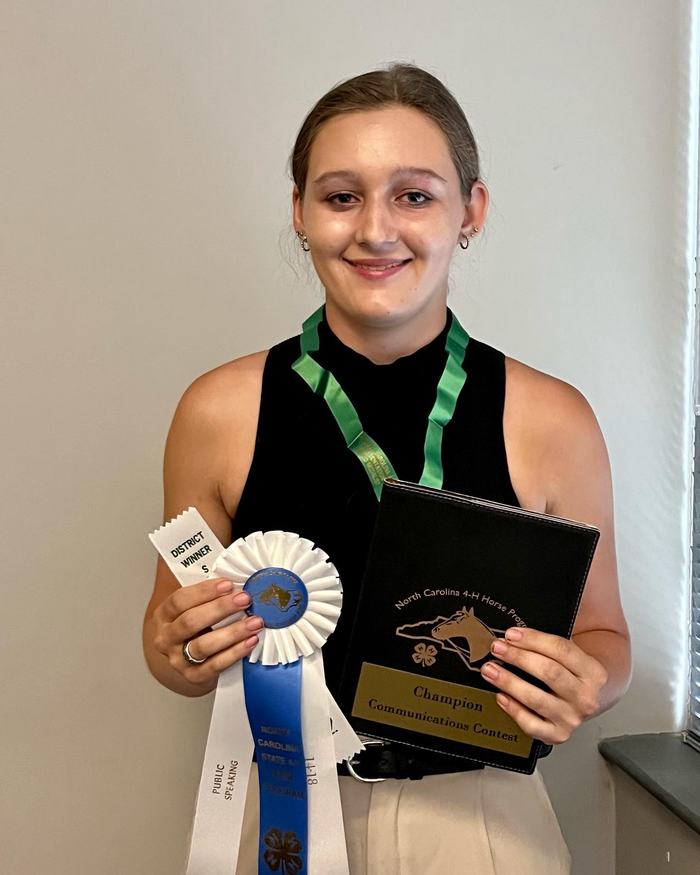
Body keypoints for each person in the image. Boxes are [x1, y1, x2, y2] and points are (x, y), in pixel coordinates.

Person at [143, 63, 631, 874]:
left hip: (481, 824)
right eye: (341, 196)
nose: (375, 230)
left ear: (469, 211)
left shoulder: (554, 419)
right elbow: (173, 646)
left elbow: (605, 638)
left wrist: (587, 681)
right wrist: (176, 648)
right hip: (285, 819)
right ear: (299, 212)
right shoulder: (216, 411)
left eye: (414, 195)